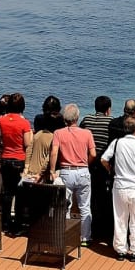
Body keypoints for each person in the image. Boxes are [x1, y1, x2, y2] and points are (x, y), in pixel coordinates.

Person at [101, 115, 135, 261]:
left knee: (120, 219)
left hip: (120, 186)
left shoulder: (117, 143)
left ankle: (120, 249)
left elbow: (104, 159)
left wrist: (111, 169)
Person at [49, 103, 97, 245]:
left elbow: (54, 152)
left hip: (66, 171)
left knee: (64, 206)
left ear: (65, 118)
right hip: (82, 171)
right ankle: (85, 237)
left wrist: (52, 171)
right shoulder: (87, 133)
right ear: (77, 117)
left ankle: (66, 234)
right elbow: (93, 153)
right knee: (85, 206)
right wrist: (85, 163)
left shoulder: (58, 133)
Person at [80, 95, 114, 244]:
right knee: (103, 198)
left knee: (89, 198)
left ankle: (91, 227)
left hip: (86, 163)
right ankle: (102, 229)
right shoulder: (110, 122)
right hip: (102, 165)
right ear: (108, 110)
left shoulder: (86, 119)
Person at [0, 92, 32, 233]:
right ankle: (17, 226)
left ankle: (5, 224)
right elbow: (27, 143)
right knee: (19, 194)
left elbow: (0, 138)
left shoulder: (2, 120)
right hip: (18, 159)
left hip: (5, 158)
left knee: (7, 192)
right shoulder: (24, 122)